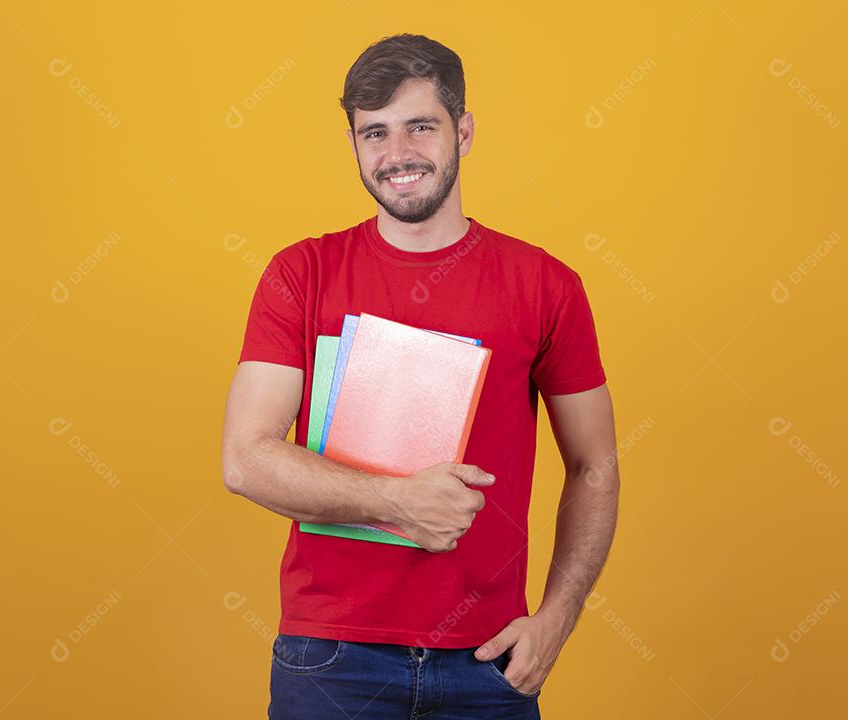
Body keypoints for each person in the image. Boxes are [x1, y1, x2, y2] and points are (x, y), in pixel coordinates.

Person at [221, 32, 619, 720]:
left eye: (420, 127)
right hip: (330, 658)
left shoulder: (545, 285)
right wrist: (397, 501)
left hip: (489, 662)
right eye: (373, 132)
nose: (397, 153)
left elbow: (594, 465)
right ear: (352, 143)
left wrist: (557, 618)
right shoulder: (301, 274)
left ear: (463, 132)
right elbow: (245, 458)